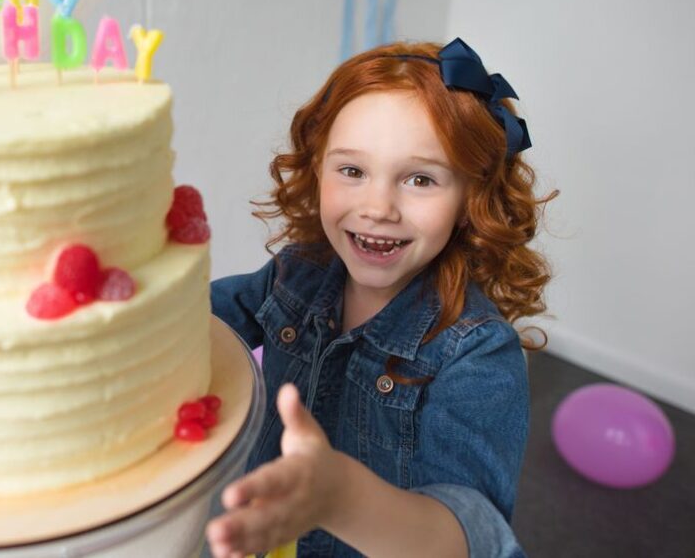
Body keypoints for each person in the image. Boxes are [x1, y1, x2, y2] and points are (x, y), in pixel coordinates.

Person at [204, 38, 558, 558]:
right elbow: (193, 323)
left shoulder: (477, 353)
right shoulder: (297, 275)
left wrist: (342, 500)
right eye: (352, 171)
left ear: (469, 200)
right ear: (318, 167)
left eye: (420, 179)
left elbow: (466, 535)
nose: (378, 207)